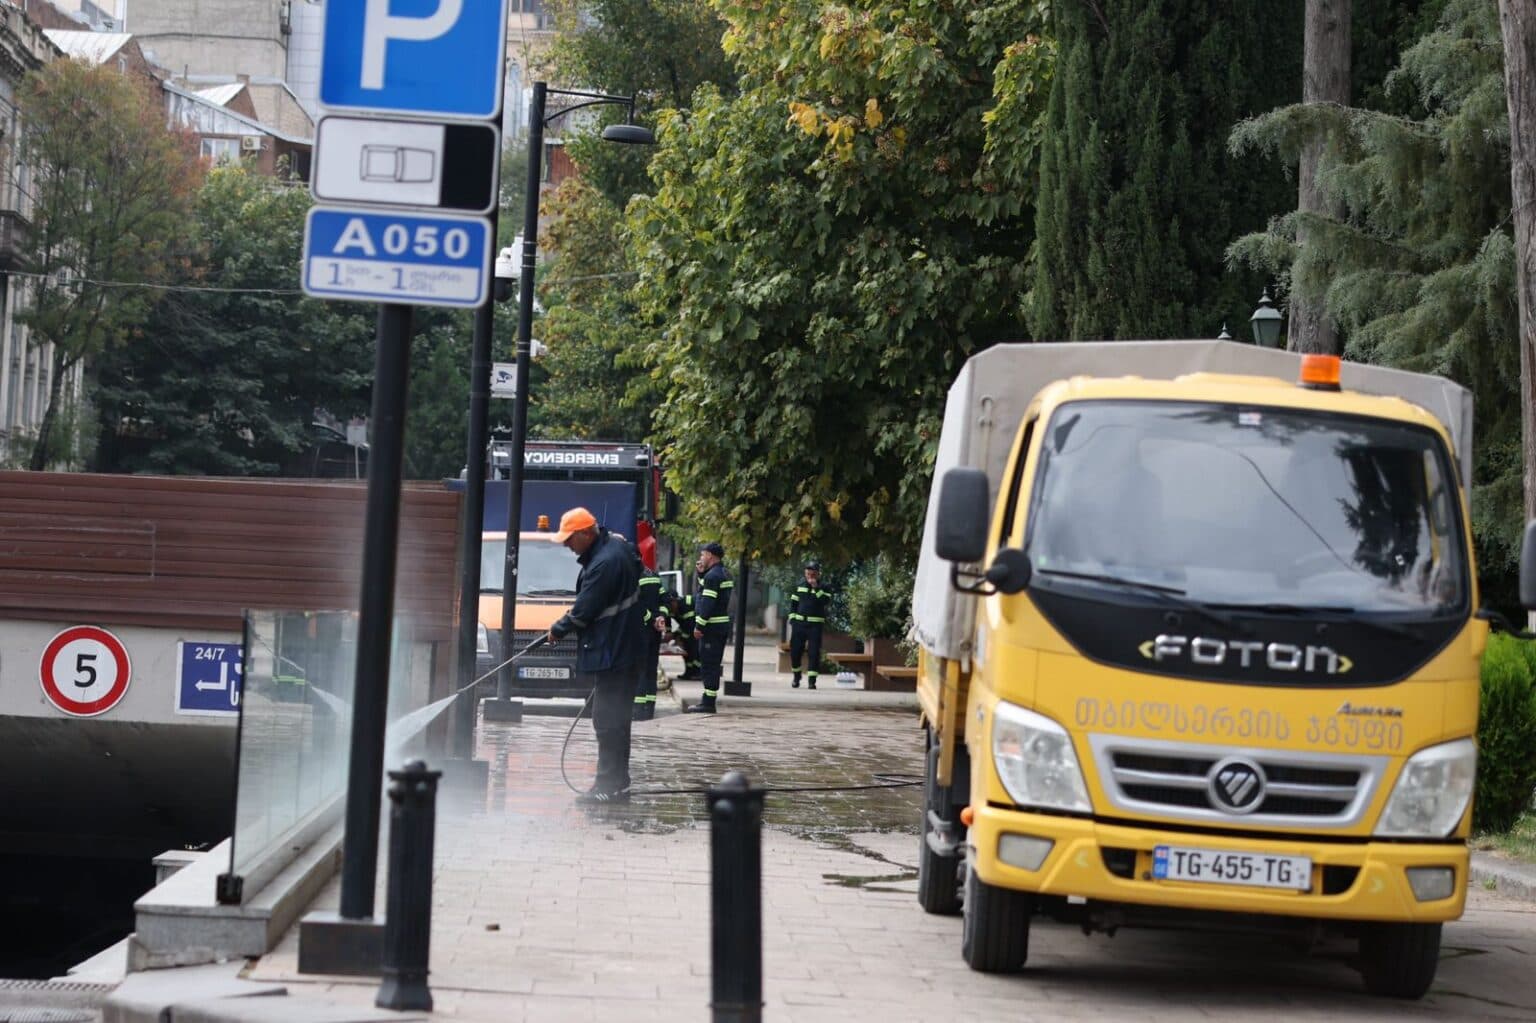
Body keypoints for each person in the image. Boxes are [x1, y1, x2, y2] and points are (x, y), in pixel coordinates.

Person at [546, 507, 644, 802]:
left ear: (587, 533)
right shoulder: (616, 548)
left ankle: (607, 786)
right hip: (621, 648)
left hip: (614, 651)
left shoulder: (605, 562)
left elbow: (584, 609)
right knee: (616, 719)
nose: (566, 544)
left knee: (607, 720)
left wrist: (557, 629)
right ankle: (619, 782)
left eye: (570, 538)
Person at [683, 541, 733, 714]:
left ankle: (708, 703)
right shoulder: (723, 573)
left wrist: (699, 625)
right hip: (719, 626)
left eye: (703, 554)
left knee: (709, 665)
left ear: (710, 556)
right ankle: (708, 699)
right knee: (712, 663)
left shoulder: (712, 577)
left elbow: (707, 602)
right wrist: (700, 574)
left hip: (711, 627)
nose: (701, 557)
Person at [787, 561, 832, 689]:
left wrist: (816, 587)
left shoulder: (824, 586)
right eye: (807, 573)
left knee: (813, 653)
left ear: (818, 574)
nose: (810, 576)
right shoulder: (799, 585)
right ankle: (796, 676)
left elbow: (824, 601)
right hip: (799, 624)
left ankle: (812, 681)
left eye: (812, 573)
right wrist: (793, 620)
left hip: (815, 625)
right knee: (795, 651)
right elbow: (793, 605)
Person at [634, 564, 665, 721]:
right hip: (655, 631)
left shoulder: (634, 575)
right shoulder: (653, 574)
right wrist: (661, 618)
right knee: (651, 669)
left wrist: (651, 619)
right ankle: (649, 709)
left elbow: (636, 604)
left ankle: (638, 710)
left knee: (639, 668)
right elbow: (664, 599)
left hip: (641, 629)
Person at [666, 591, 701, 680]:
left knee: (694, 650)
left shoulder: (686, 606)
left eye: (670, 604)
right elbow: (672, 623)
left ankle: (698, 673)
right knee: (687, 651)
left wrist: (679, 639)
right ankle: (688, 673)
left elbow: (688, 627)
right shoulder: (673, 609)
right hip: (690, 628)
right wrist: (670, 634)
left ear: (675, 601)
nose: (670, 608)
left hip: (698, 628)